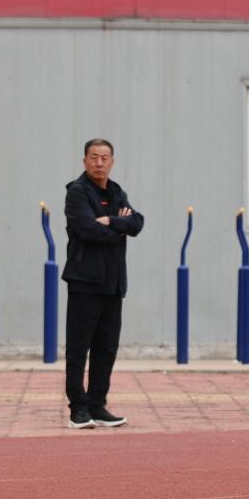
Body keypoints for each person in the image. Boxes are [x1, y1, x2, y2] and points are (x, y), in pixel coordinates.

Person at [62, 138, 144, 429]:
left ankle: (98, 405)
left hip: (113, 283)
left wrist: (109, 221)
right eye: (94, 157)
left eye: (104, 158)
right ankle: (78, 409)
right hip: (85, 282)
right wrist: (118, 227)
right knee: (78, 348)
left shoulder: (116, 191)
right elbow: (87, 229)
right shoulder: (77, 192)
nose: (99, 163)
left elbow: (137, 223)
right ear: (84, 160)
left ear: (112, 161)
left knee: (106, 348)